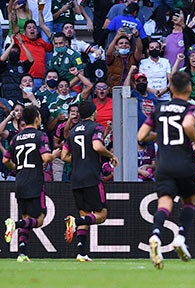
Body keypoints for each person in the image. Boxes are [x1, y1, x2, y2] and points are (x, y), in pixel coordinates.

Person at [138, 71, 195, 269]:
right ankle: (180, 237)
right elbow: (188, 124)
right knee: (189, 200)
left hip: (163, 164)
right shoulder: (192, 107)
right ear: (190, 88)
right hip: (184, 162)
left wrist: (161, 137)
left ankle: (156, 234)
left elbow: (141, 136)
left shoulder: (159, 108)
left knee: (164, 203)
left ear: (171, 88)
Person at [62, 101, 119, 262]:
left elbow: (64, 156)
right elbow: (97, 146)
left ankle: (81, 253)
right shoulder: (96, 127)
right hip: (91, 177)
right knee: (101, 215)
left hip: (76, 178)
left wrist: (80, 158)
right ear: (94, 113)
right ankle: (75, 222)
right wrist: (111, 155)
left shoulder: (73, 131)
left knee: (85, 214)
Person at [3, 106, 59, 262]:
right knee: (39, 219)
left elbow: (5, 160)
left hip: (20, 179)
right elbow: (46, 157)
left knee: (26, 216)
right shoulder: (40, 135)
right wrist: (54, 154)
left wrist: (17, 168)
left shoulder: (16, 138)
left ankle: (22, 253)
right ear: (36, 118)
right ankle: (14, 224)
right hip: (34, 180)